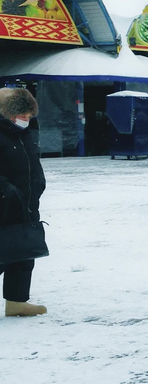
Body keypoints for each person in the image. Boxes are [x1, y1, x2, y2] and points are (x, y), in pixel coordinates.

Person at [0, 87, 47, 317]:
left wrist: (39, 184)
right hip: (4, 204)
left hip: (27, 203)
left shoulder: (25, 135)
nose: (26, 121)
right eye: (22, 116)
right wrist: (6, 191)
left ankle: (17, 302)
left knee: (24, 254)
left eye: (29, 116)